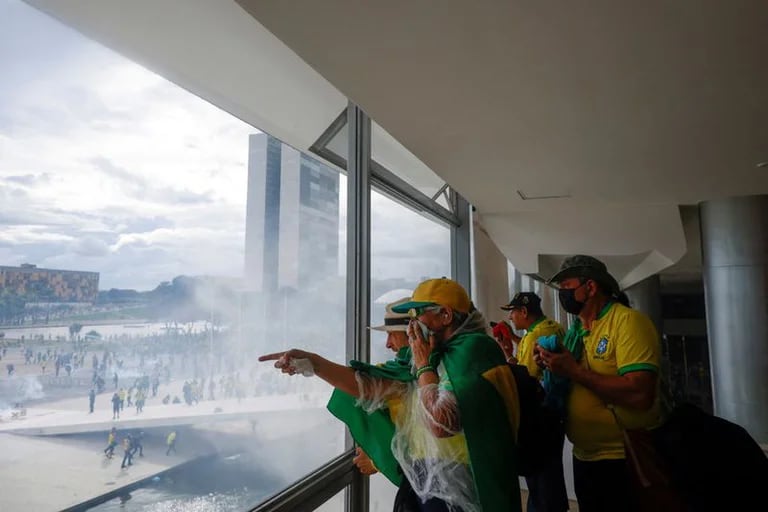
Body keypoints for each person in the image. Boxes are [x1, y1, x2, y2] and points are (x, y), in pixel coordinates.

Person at [260, 278, 522, 512]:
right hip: (428, 477)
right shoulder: (425, 358)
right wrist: (314, 363)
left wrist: (424, 365)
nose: (413, 324)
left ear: (445, 315)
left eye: (418, 314)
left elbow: (442, 424)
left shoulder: (473, 352)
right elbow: (371, 386)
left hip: (468, 478)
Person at [537, 255, 662, 512]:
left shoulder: (627, 322)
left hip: (623, 459)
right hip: (584, 458)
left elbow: (640, 394)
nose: (562, 293)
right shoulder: (577, 332)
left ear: (591, 287)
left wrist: (573, 371)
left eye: (567, 286)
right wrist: (553, 365)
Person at [500, 292, 569, 512]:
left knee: (540, 481)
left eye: (512, 312)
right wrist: (511, 343)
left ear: (523, 312)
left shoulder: (534, 336)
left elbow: (526, 380)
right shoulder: (552, 327)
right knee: (549, 476)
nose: (511, 317)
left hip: (541, 417)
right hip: (555, 414)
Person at [352, 297, 412, 477]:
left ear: (411, 334)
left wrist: (377, 460)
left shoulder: (413, 376)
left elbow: (418, 440)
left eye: (392, 334)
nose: (388, 344)